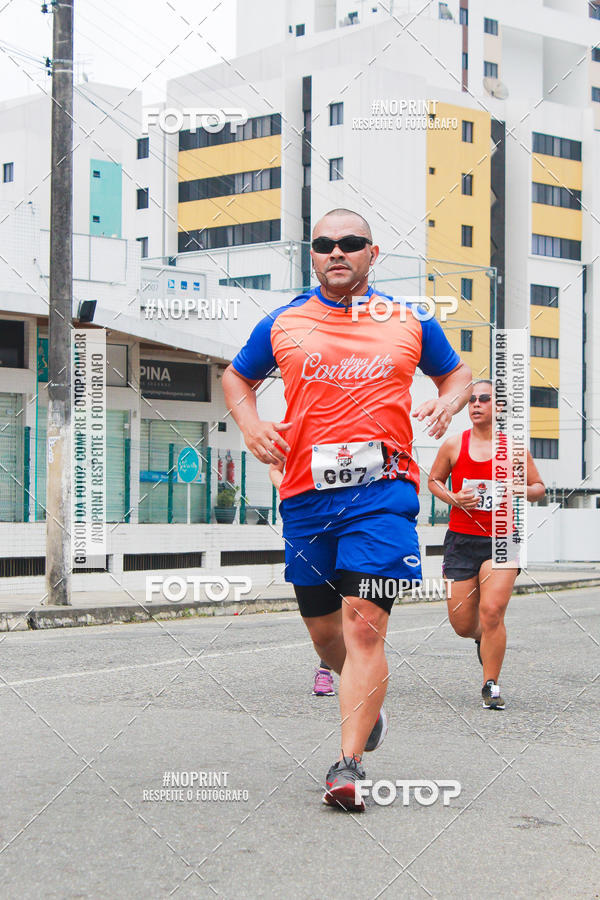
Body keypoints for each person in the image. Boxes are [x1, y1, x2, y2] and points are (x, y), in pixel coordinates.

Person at [223, 208, 472, 811]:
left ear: (372, 252)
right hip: (306, 496)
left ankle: (348, 764)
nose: (337, 252)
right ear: (312, 255)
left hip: (383, 494)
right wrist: (251, 426)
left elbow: (458, 373)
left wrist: (447, 403)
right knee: (325, 634)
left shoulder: (408, 321)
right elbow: (236, 379)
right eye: (324, 244)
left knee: (364, 624)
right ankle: (367, 706)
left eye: (351, 243)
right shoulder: (284, 322)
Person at [428, 380, 545, 709]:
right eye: (472, 400)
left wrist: (517, 489)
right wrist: (454, 498)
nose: (476, 404)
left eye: (484, 399)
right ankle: (483, 637)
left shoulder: (515, 450)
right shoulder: (453, 445)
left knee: (492, 611)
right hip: (461, 541)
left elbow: (538, 487)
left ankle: (490, 684)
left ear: (500, 407)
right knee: (463, 624)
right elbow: (433, 480)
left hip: (503, 539)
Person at [270, 462, 336, 696]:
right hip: (308, 518)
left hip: (353, 514)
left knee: (354, 602)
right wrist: (289, 489)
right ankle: (333, 666)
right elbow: (275, 469)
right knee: (323, 612)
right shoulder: (293, 429)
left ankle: (328, 670)